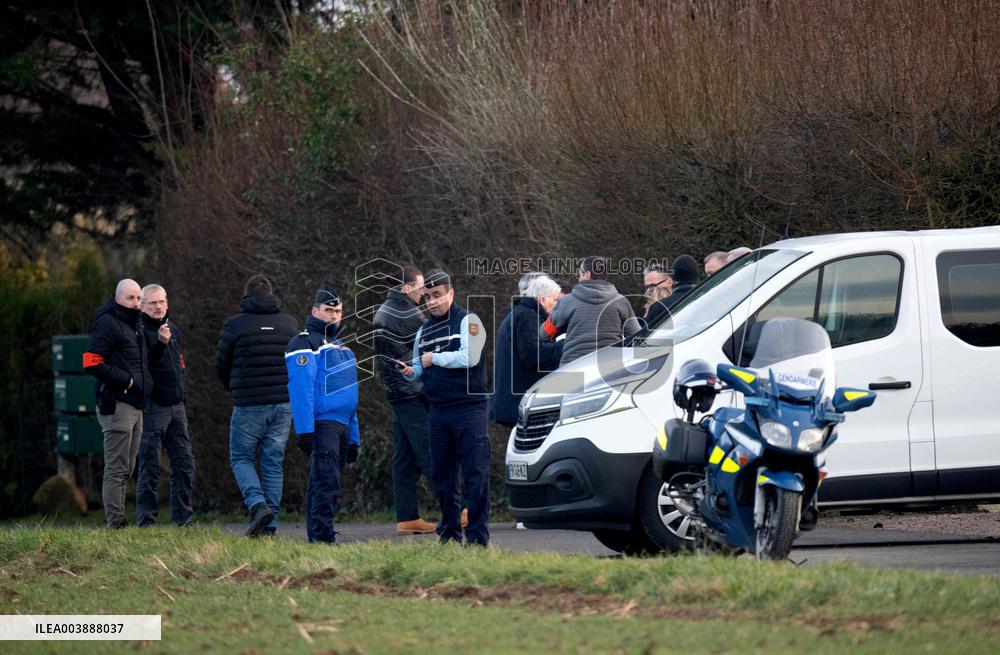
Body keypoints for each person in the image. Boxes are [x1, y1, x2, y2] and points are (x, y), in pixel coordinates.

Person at [398, 269, 491, 546]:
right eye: (427, 297)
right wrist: (409, 372)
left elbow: (470, 357)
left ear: (451, 293)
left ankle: (477, 537)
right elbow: (419, 366)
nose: (432, 302)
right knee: (442, 476)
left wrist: (434, 359)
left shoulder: (469, 321)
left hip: (469, 408)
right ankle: (449, 533)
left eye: (437, 295)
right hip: (437, 410)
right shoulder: (423, 330)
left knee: (475, 474)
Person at [215, 274, 299, 537]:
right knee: (273, 463)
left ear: (247, 296)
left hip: (249, 404)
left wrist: (234, 389)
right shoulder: (289, 324)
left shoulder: (235, 325)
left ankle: (257, 504)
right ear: (272, 295)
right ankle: (269, 527)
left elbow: (221, 365)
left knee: (241, 458)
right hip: (282, 403)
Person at [285, 286, 360, 544]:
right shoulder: (304, 343)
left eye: (338, 311)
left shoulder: (343, 347)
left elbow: (351, 395)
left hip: (343, 424)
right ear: (315, 311)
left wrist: (355, 437)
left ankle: (320, 535)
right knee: (325, 481)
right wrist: (305, 430)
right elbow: (301, 389)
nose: (334, 316)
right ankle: (321, 538)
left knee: (329, 482)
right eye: (329, 310)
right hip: (323, 423)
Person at [372, 265, 438, 536]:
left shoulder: (383, 310)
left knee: (404, 458)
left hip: (396, 392)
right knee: (430, 450)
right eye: (421, 288)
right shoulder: (409, 313)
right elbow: (432, 344)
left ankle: (407, 517)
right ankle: (457, 508)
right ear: (407, 288)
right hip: (412, 392)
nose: (424, 294)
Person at [83, 279, 153, 528]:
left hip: (136, 404)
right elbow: (91, 362)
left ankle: (118, 520)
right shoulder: (108, 323)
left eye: (138, 298)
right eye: (130, 298)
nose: (136, 303)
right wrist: (127, 381)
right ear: (117, 298)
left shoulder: (136, 324)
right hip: (117, 403)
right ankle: (115, 523)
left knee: (128, 467)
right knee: (116, 467)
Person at [135, 284, 195, 527]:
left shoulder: (173, 329)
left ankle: (183, 520)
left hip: (177, 407)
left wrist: (183, 396)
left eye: (161, 302)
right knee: (150, 467)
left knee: (185, 464)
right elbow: (145, 367)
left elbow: (178, 366)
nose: (158, 307)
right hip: (153, 408)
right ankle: (146, 522)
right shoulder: (139, 331)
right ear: (142, 306)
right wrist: (160, 343)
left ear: (167, 303)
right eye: (152, 303)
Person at [539, 256, 641, 366]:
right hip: (610, 367)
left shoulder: (566, 302)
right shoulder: (621, 301)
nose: (578, 278)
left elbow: (544, 334)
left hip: (574, 365)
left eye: (580, 274)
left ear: (587, 275)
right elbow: (637, 337)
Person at [491, 275, 563, 428]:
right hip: (520, 401)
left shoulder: (519, 313)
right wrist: (564, 345)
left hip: (513, 400)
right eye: (555, 299)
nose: (557, 304)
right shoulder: (527, 316)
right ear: (542, 300)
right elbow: (533, 355)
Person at [640, 262, 674, 330]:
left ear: (669, 282)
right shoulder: (651, 310)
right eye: (647, 287)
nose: (648, 292)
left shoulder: (682, 302)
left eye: (652, 286)